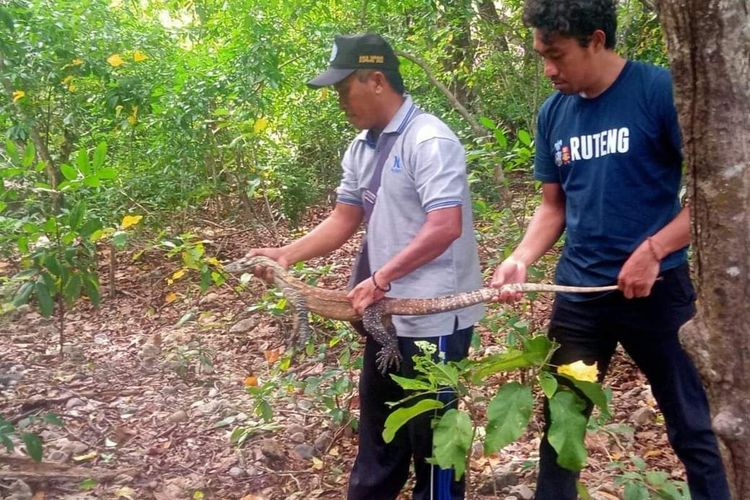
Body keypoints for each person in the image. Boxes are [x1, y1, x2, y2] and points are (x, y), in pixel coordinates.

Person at [489, 1, 730, 499]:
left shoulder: (658, 91)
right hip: (580, 300)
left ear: (596, 40)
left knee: (693, 425)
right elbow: (552, 206)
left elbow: (712, 195)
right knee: (564, 424)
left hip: (657, 297)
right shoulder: (555, 113)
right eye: (541, 56)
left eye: (557, 55)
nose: (549, 69)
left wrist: (655, 249)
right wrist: (520, 257)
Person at [245, 33, 483, 500]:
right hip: (385, 317)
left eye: (342, 88)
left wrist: (380, 277)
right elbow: (344, 217)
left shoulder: (429, 140)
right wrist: (286, 254)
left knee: (432, 443)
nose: (339, 100)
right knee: (380, 433)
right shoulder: (361, 147)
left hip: (432, 315)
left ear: (376, 80)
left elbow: (445, 226)